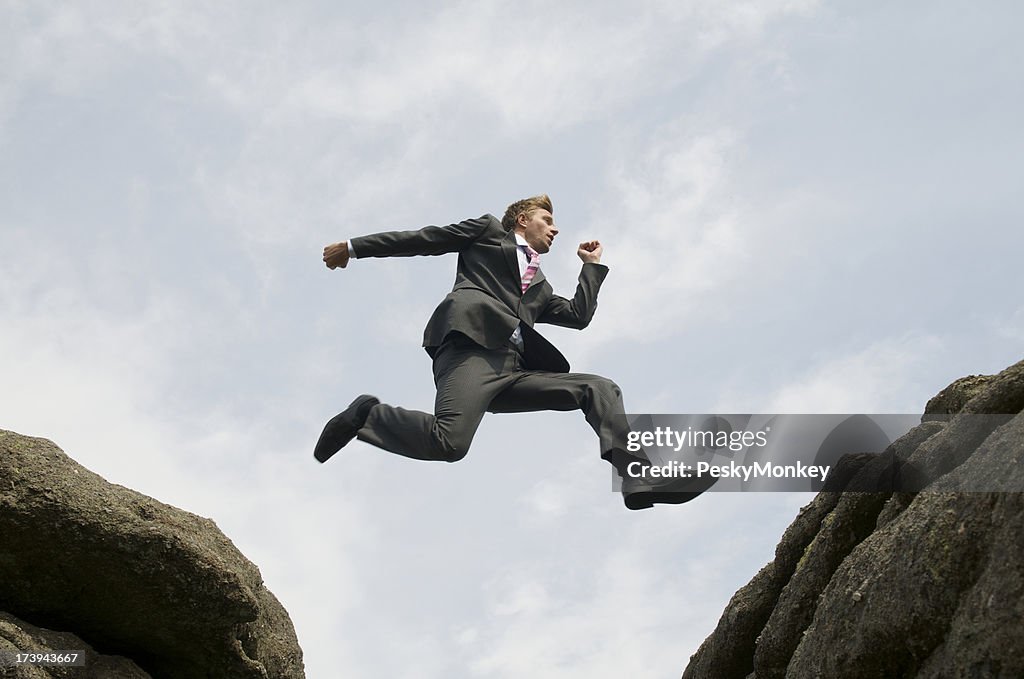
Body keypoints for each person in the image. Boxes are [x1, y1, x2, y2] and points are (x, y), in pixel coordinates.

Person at [315, 194, 699, 509]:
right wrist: (353, 248)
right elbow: (422, 239)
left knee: (599, 388)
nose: (555, 228)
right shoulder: (486, 232)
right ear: (521, 221)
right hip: (472, 350)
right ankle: (366, 415)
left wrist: (592, 268)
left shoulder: (541, 288)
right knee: (449, 444)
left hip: (515, 370)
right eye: (546, 219)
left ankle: (638, 477)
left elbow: (579, 316)